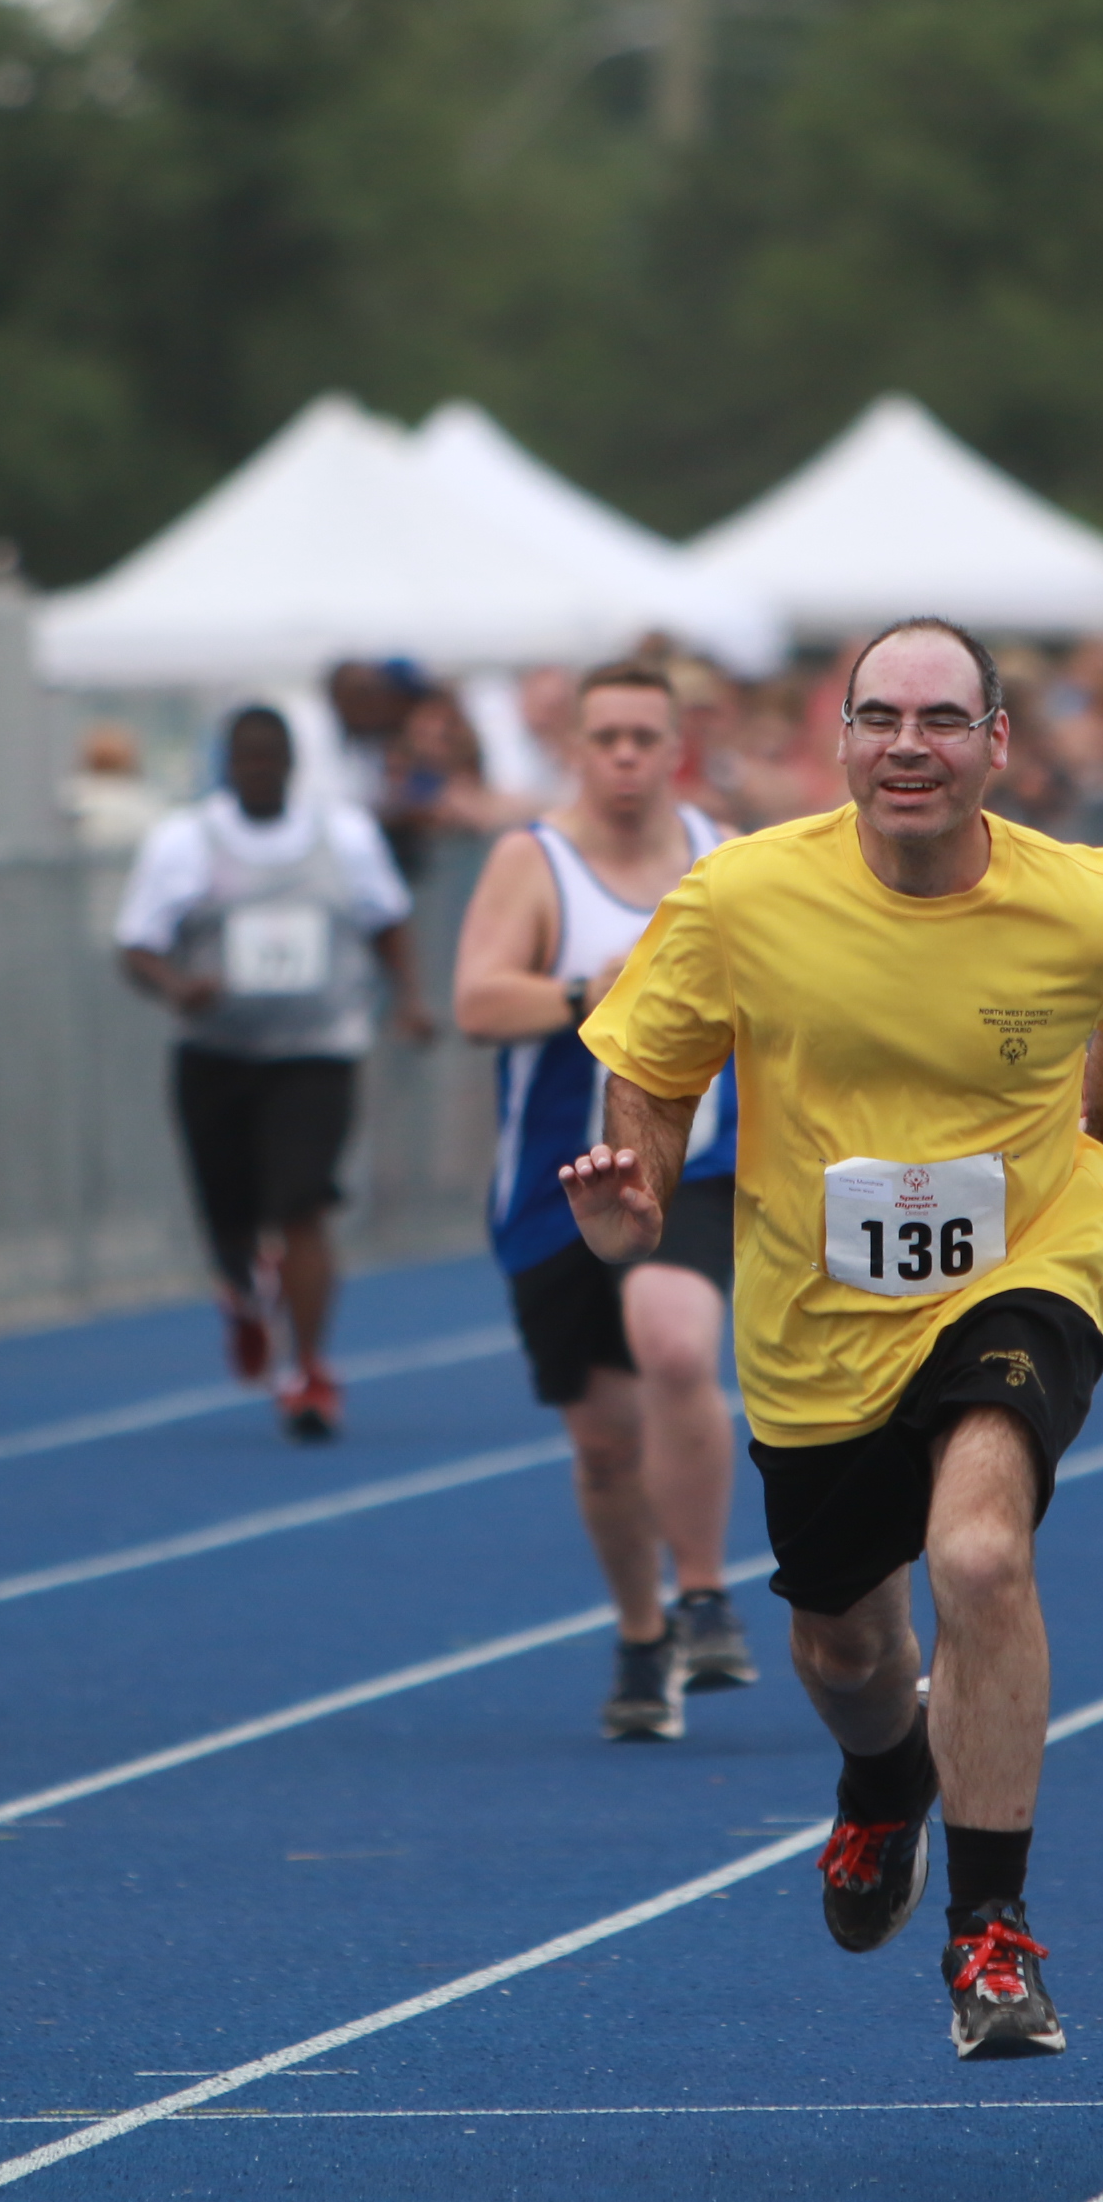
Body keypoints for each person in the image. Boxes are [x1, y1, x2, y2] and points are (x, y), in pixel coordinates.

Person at [565, 615, 1103, 2063]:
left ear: (996, 746)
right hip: (819, 1321)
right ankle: (884, 1782)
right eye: (882, 718)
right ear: (840, 740)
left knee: (976, 1553)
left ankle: (992, 1931)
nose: (911, 745)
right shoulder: (742, 897)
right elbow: (651, 1071)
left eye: (944, 720)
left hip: (1021, 1265)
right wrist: (637, 1189)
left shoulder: (1088, 904)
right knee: (846, 1649)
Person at [453, 661, 758, 1742]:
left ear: (678, 746)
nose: (626, 754)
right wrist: (598, 987)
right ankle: (641, 1632)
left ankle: (709, 1590)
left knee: (675, 1343)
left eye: (645, 735)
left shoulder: (725, 858)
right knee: (603, 1443)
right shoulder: (531, 862)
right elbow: (477, 998)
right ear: (574, 750)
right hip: (553, 1184)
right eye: (607, 736)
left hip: (691, 1165)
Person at [114, 702, 436, 1441]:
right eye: (246, 759)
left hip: (318, 1049)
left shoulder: (344, 837)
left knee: (303, 1204)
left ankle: (310, 1368)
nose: (259, 770)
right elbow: (135, 944)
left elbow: (388, 919)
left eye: (271, 758)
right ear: (227, 766)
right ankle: (241, 1290)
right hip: (216, 1054)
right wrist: (177, 988)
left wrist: (409, 1002)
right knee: (228, 1217)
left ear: (291, 765)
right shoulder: (185, 842)